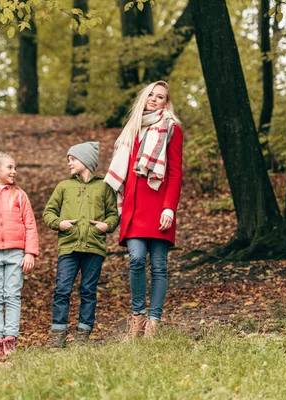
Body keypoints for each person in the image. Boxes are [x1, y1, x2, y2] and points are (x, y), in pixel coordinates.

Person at [105, 80, 183, 338]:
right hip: (134, 206)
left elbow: (174, 172)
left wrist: (169, 208)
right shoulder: (132, 129)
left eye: (160, 97)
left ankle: (153, 322)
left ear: (166, 103)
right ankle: (137, 316)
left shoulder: (171, 129)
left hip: (159, 206)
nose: (154, 99)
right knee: (136, 259)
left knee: (159, 266)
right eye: (151, 94)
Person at [43, 142, 120, 348]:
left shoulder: (105, 186)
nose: (69, 163)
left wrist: (107, 225)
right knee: (62, 290)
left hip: (94, 248)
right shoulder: (64, 187)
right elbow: (48, 212)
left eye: (73, 159)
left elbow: (113, 214)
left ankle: (82, 337)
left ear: (86, 160)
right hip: (68, 248)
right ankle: (58, 337)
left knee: (88, 290)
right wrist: (60, 223)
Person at [0, 152, 39, 357]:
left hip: (16, 253)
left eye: (15, 168)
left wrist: (30, 253)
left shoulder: (19, 194)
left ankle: (10, 337)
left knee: (12, 295)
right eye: (10, 167)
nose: (14, 171)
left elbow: (30, 224)